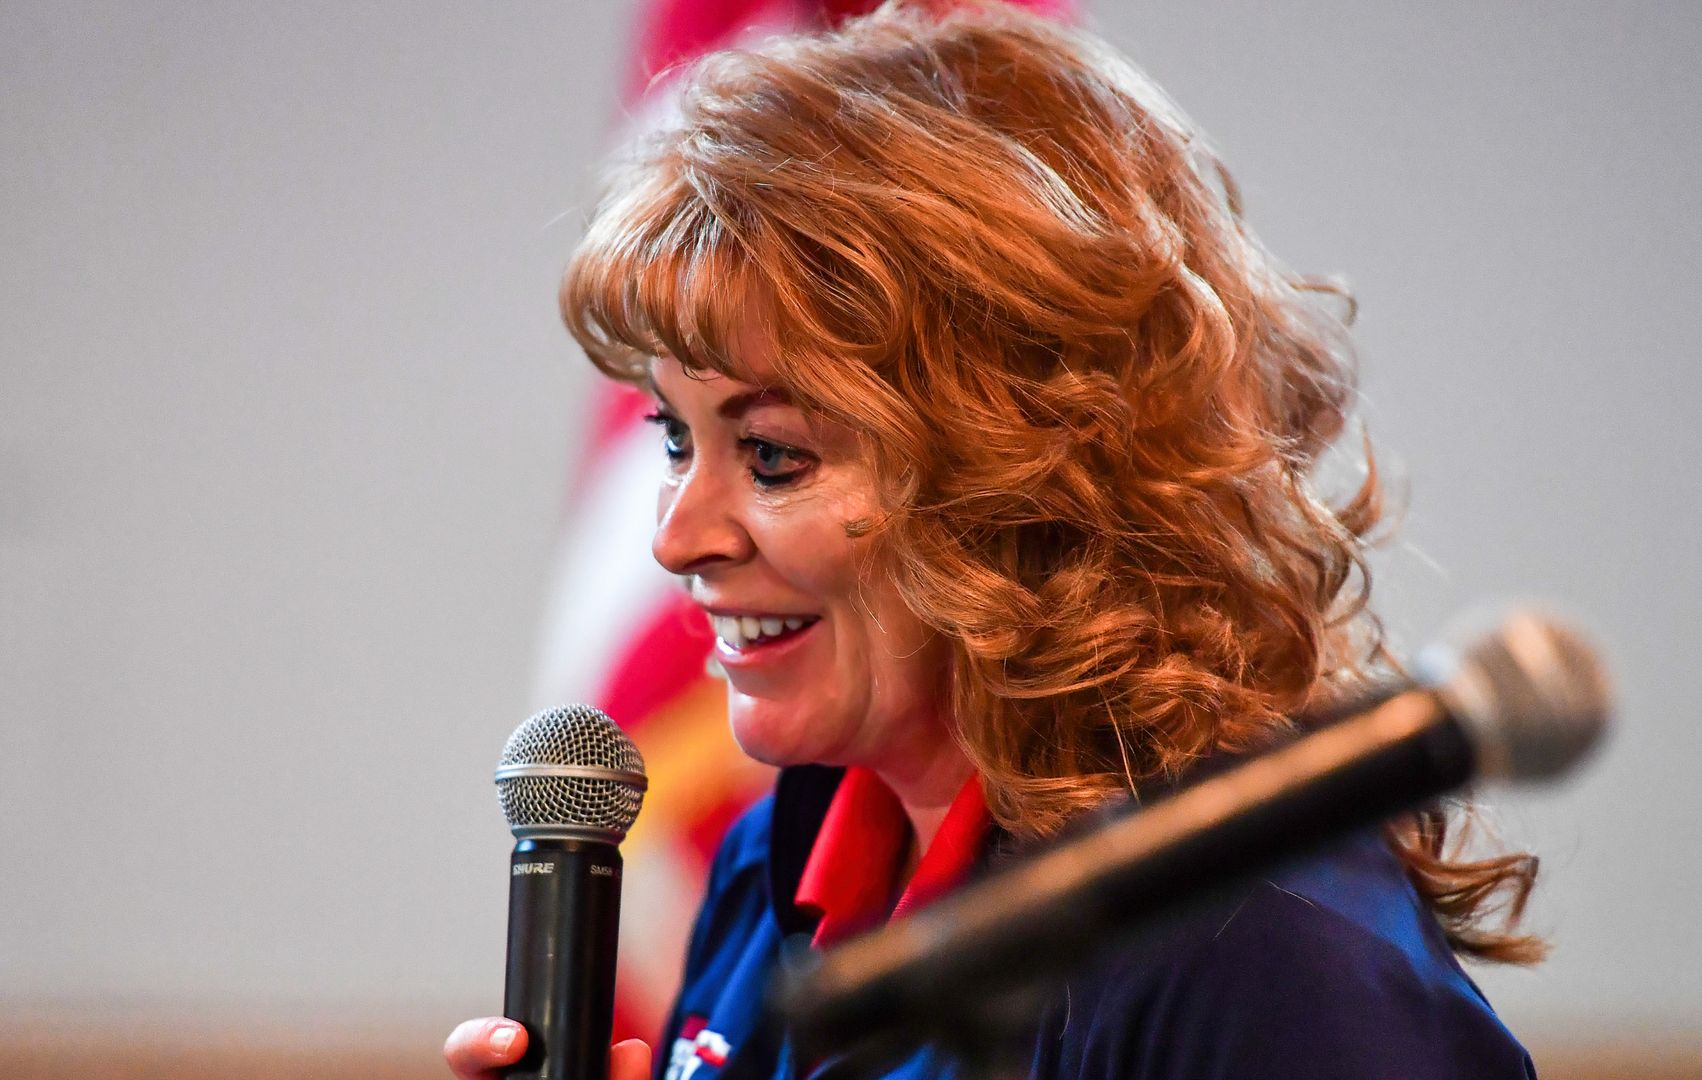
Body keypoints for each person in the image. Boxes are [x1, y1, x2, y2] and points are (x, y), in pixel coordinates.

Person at [449, 1, 1544, 1076]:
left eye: (773, 454)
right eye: (674, 437)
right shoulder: (769, 857)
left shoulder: (1274, 964)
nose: (675, 539)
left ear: (1027, 467)